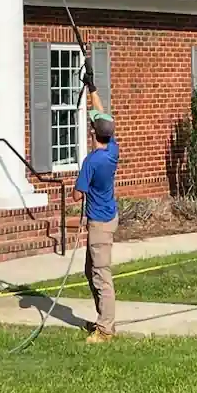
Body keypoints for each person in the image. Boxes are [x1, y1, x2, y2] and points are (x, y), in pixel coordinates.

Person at [73, 64, 120, 342]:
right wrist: (92, 87)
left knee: (101, 275)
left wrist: (80, 183)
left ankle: (105, 329)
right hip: (109, 217)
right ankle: (103, 320)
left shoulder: (92, 162)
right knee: (90, 271)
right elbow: (101, 114)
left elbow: (77, 195)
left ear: (93, 133)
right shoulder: (112, 149)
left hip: (99, 224)